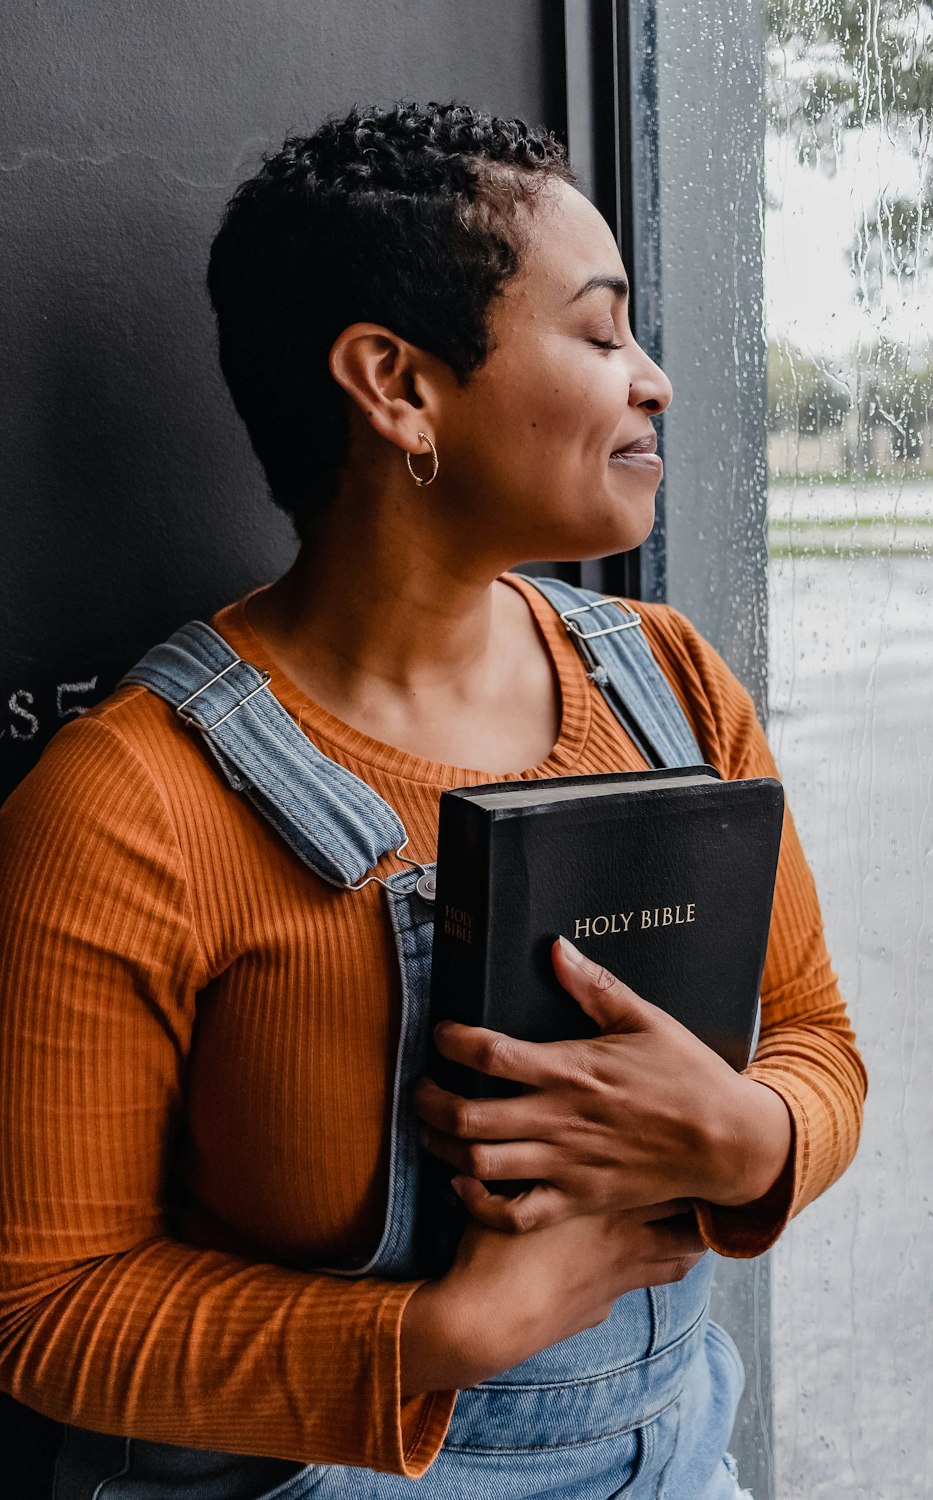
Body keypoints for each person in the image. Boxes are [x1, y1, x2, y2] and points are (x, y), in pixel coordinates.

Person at [0, 102, 866, 1499]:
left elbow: (815, 1037)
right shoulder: (126, 806)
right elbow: (44, 1313)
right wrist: (445, 1333)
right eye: (598, 332)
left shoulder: (675, 686)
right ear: (396, 385)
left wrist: (749, 1136)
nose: (653, 381)